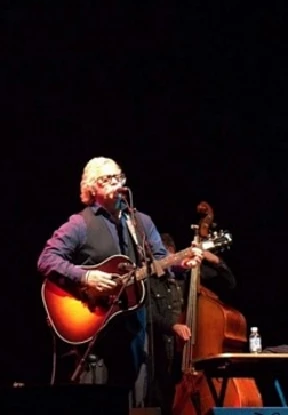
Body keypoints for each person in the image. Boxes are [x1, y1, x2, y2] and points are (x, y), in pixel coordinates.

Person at [37, 157, 201, 401]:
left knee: (124, 390)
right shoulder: (80, 224)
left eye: (119, 177)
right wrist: (86, 276)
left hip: (131, 323)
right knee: (93, 396)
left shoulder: (141, 222)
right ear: (93, 187)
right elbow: (47, 259)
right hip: (93, 324)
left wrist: (180, 264)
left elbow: (158, 260)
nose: (117, 183)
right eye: (108, 179)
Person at [145, 232, 236, 415]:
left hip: (187, 359)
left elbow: (229, 282)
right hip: (160, 360)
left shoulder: (188, 272)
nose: (168, 265)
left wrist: (209, 255)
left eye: (171, 258)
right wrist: (172, 327)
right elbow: (147, 315)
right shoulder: (150, 280)